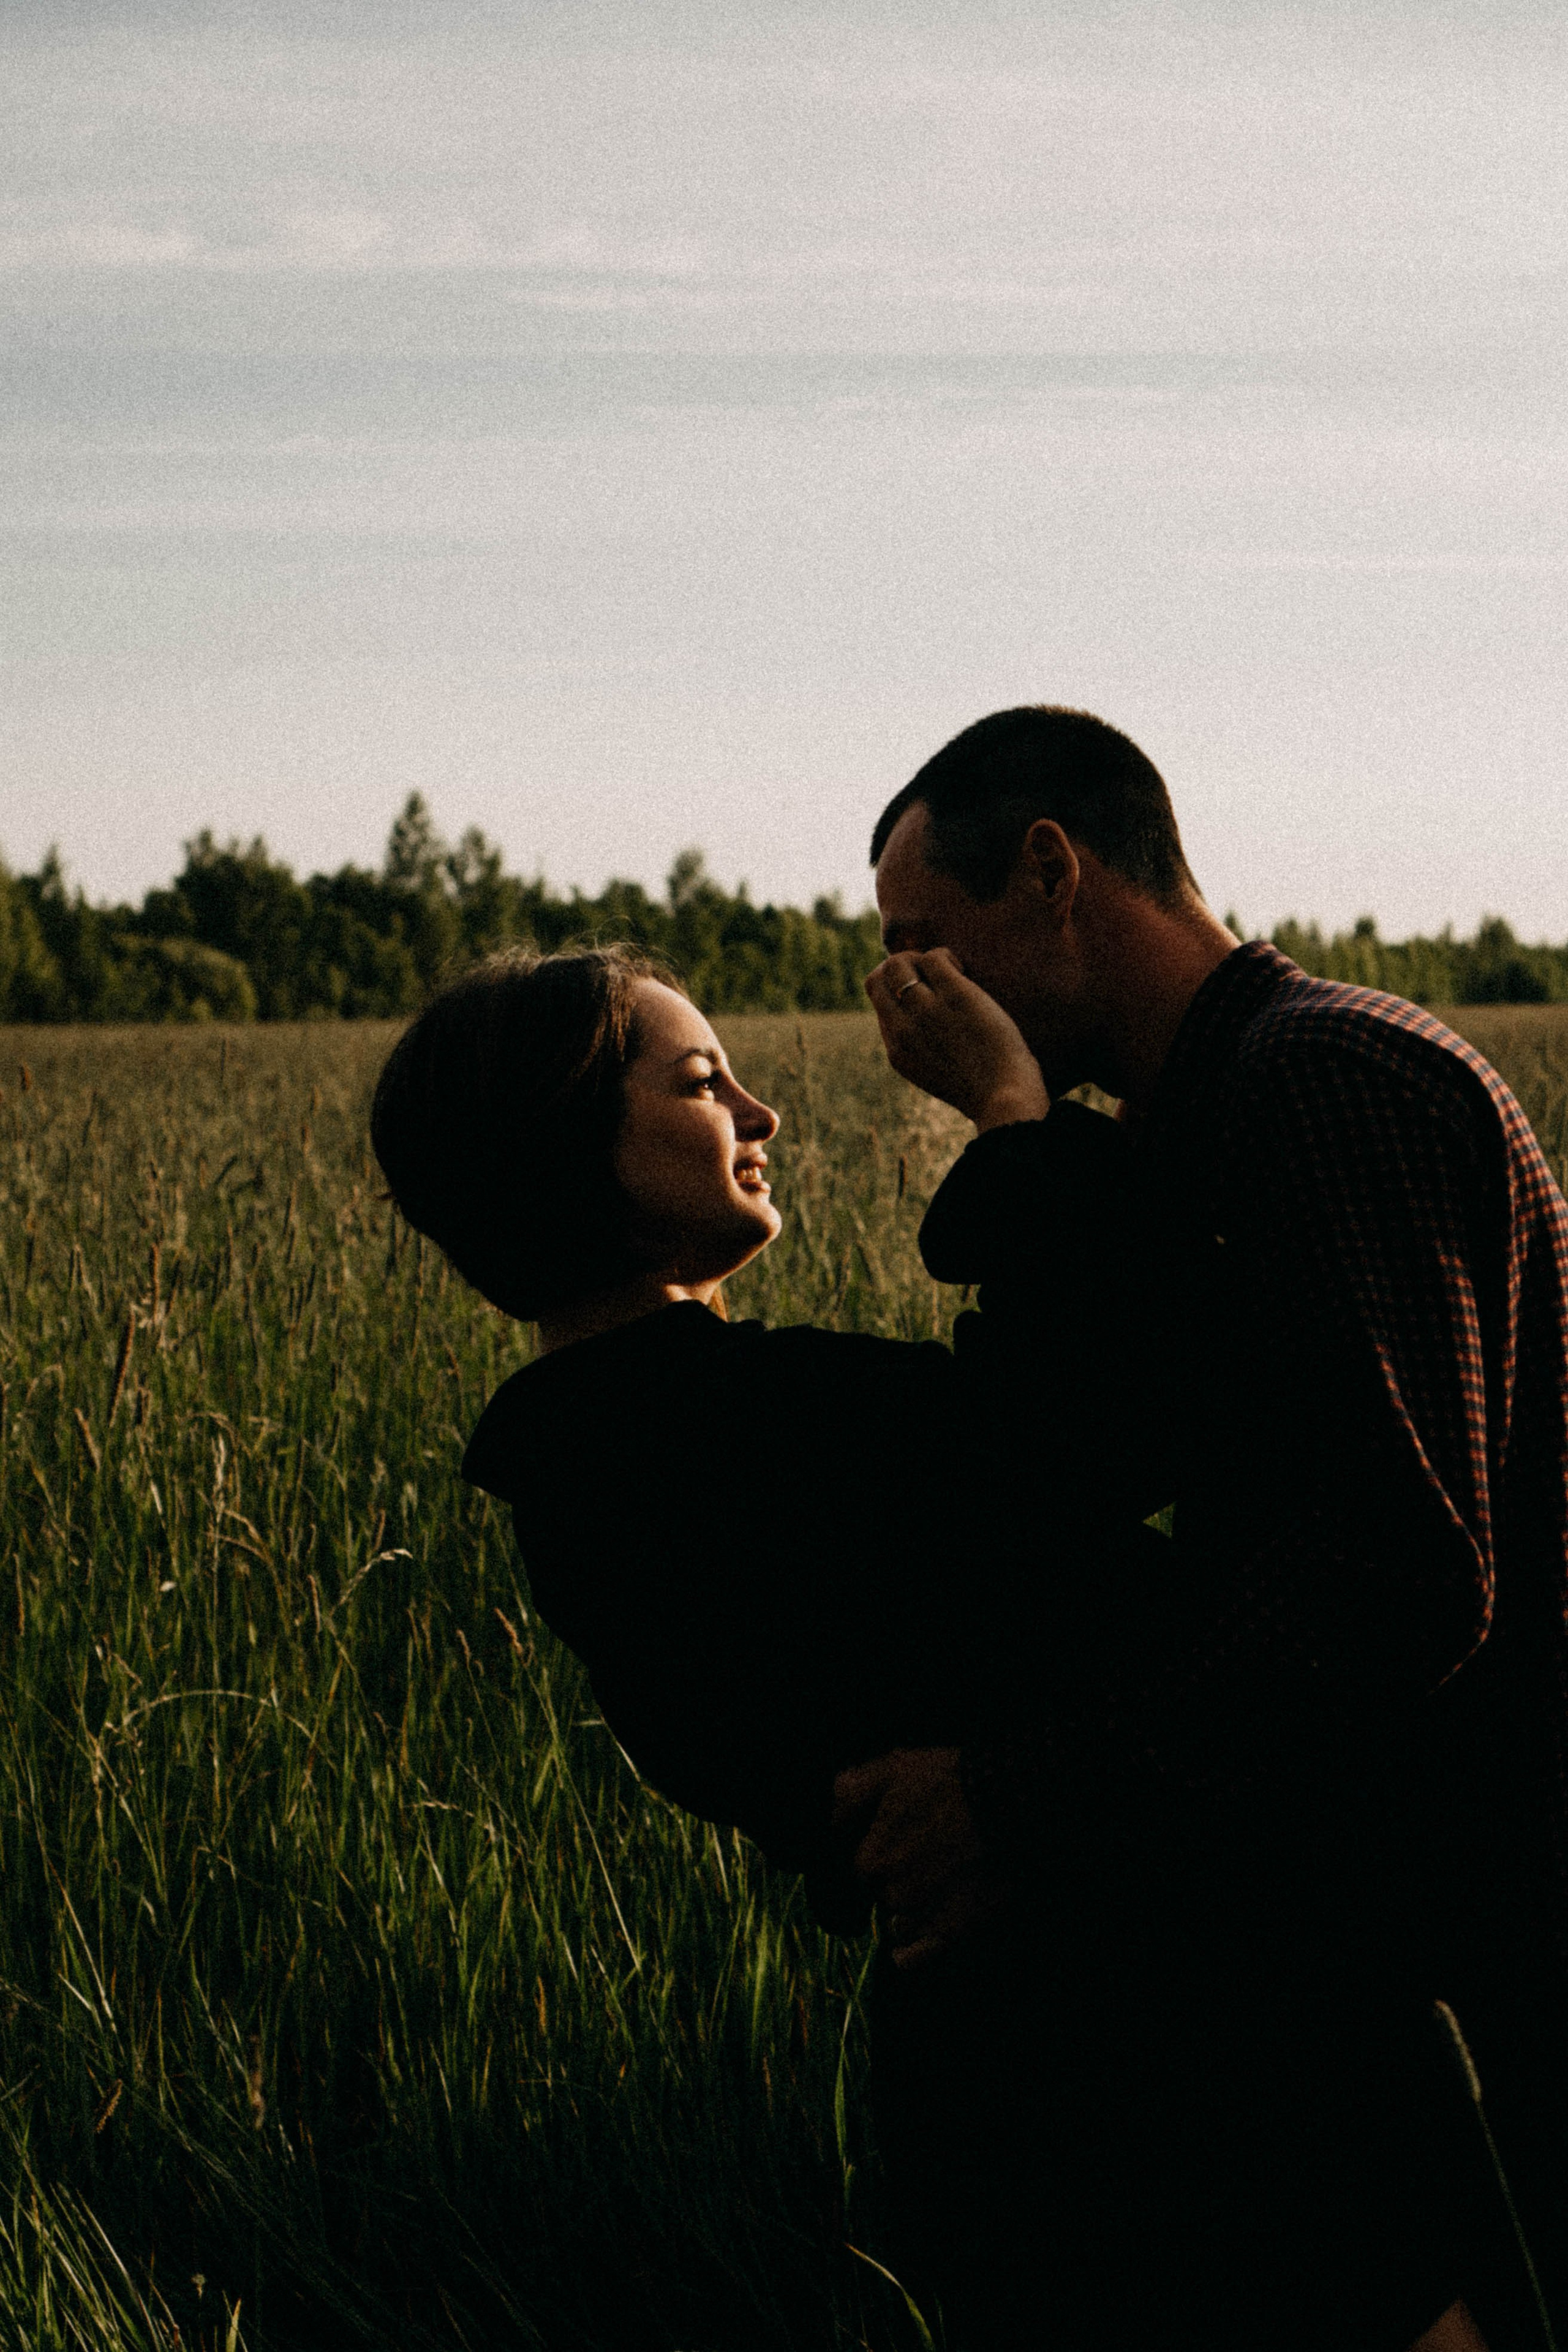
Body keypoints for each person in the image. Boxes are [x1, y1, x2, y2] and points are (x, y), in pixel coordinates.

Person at [837, 704, 1568, 2352]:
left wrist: (1014, 1794)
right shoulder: (1197, 1117)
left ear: (1050, 870)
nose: (903, 997)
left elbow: (1400, 1572)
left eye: (919, 942)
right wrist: (1022, 1141)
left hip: (1501, 1913)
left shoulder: (1324, 1079)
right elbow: (1083, 1461)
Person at [368, 941, 1175, 2335]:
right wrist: (1010, 1114)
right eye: (701, 1083)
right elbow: (1096, 1427)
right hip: (1116, 2044)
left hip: (986, 2061)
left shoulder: (586, 1461)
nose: (762, 1112)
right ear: (571, 1140)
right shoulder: (720, 1436)